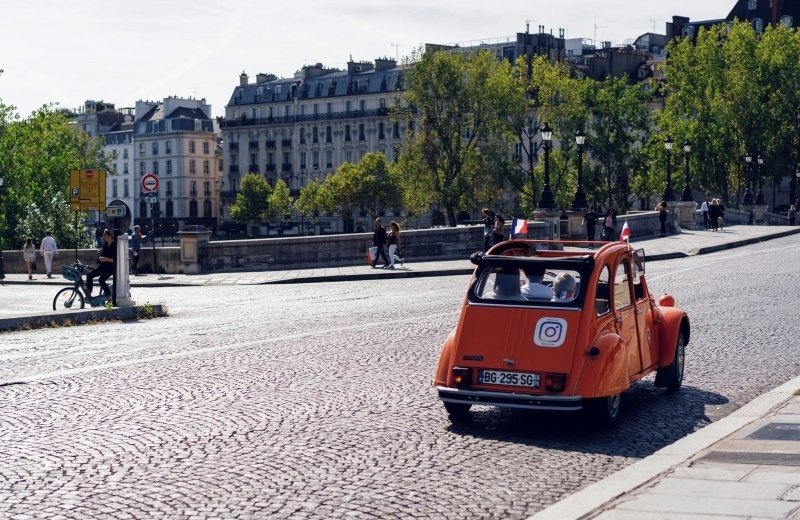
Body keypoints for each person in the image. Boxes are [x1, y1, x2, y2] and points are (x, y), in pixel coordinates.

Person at [86, 229, 116, 297]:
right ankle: (89, 294)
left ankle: (109, 297)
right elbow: (102, 256)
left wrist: (106, 259)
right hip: (103, 267)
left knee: (100, 280)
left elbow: (115, 260)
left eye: (104, 235)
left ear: (110, 236)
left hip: (110, 268)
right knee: (90, 276)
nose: (103, 236)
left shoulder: (114, 246)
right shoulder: (105, 244)